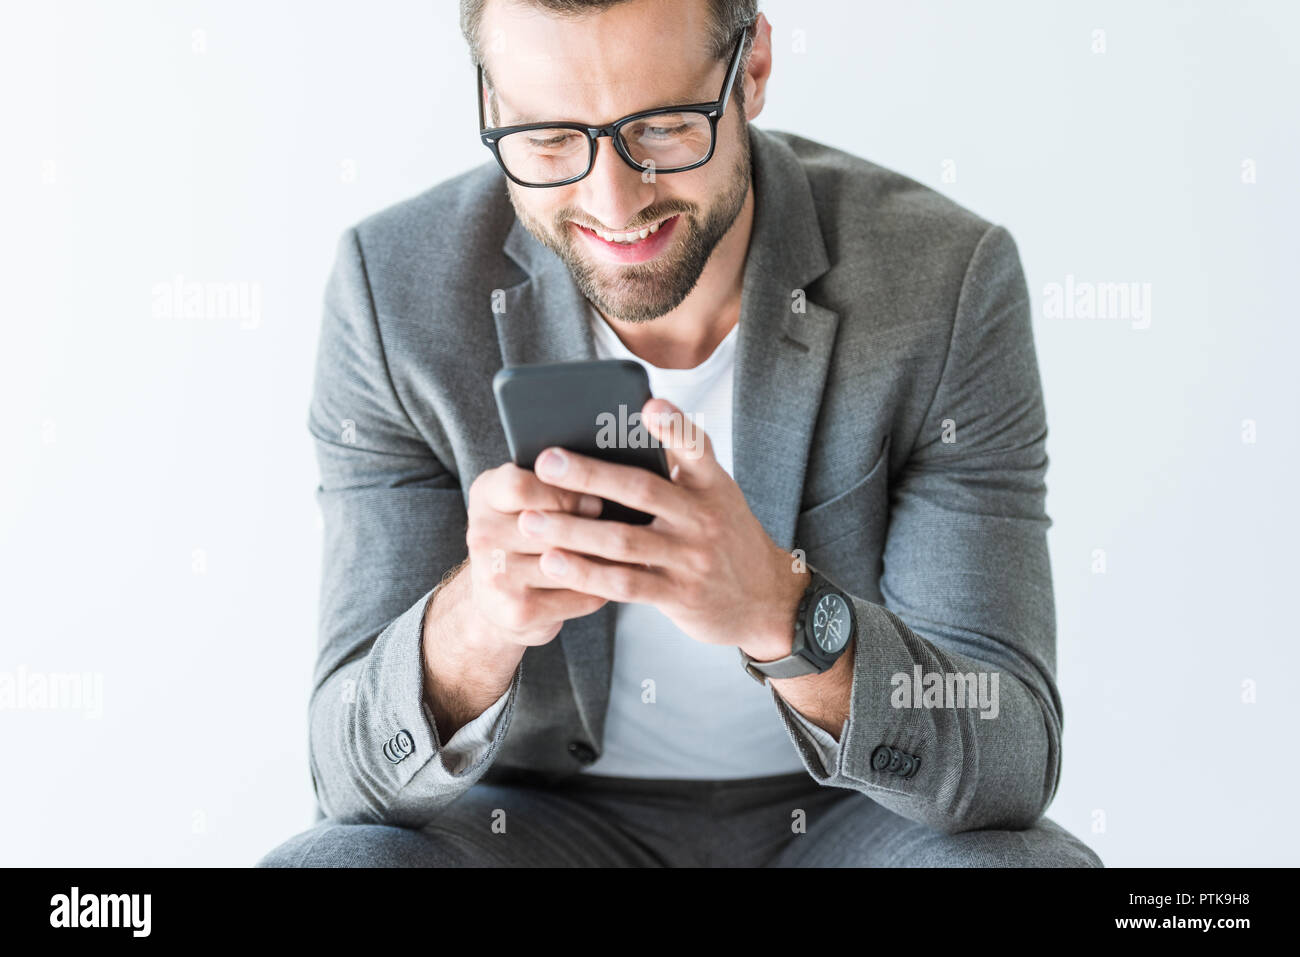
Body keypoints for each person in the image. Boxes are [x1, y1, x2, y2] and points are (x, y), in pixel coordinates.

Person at [259, 0, 1101, 867]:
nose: (612, 203)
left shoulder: (944, 283)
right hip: (538, 829)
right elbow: (344, 774)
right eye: (549, 137)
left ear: (754, 70)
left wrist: (786, 611)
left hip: (852, 821)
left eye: (661, 127)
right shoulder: (391, 293)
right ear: (490, 104)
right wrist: (476, 622)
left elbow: (1010, 751)